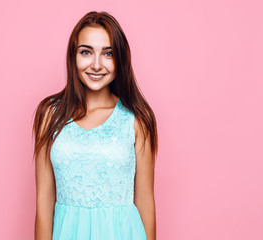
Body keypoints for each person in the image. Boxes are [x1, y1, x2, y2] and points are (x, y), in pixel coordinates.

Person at [33, 11, 158, 240]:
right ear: (74, 56)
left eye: (108, 53)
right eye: (86, 52)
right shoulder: (49, 115)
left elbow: (145, 203)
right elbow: (43, 204)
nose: (97, 65)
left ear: (120, 59)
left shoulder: (137, 119)